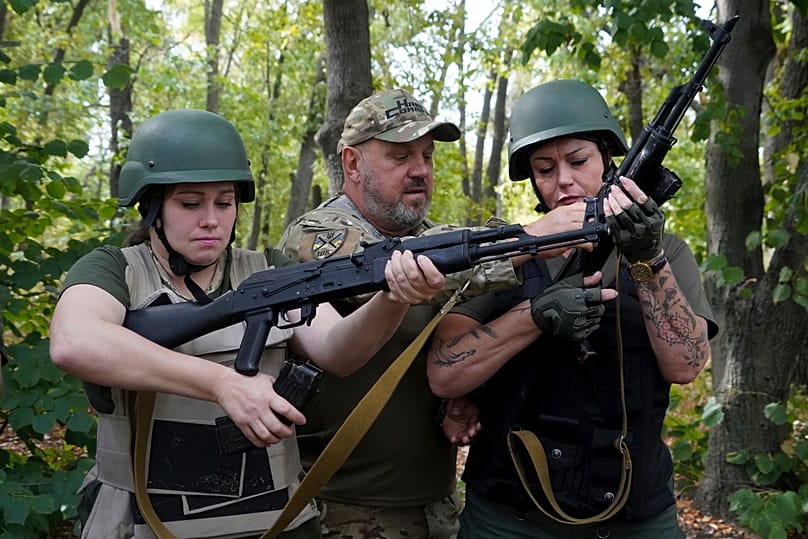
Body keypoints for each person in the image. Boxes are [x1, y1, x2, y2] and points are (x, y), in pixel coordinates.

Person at [48, 109, 448, 539]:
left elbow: (339, 351)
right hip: (145, 520)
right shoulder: (115, 270)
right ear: (151, 207)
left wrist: (393, 296)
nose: (211, 220)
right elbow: (74, 341)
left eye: (225, 202)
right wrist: (224, 384)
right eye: (189, 203)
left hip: (274, 520)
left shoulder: (266, 270)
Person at [277, 88, 588, 538]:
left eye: (426, 155)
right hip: (340, 511)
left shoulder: (436, 240)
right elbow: (387, 268)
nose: (420, 169)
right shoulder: (317, 235)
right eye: (400, 156)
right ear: (352, 164)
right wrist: (531, 236)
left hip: (434, 507)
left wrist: (455, 401)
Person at [426, 79, 719, 539]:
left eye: (578, 160)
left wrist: (648, 260)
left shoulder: (666, 251)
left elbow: (688, 365)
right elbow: (444, 371)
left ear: (607, 159)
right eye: (545, 168)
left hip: (634, 515)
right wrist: (533, 316)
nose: (563, 179)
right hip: (510, 514)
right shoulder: (505, 253)